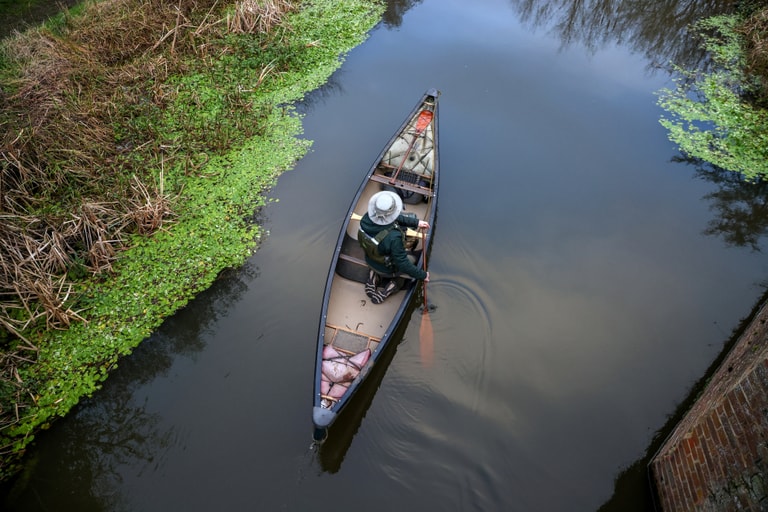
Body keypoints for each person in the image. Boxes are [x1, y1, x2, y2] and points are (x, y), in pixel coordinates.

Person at [358, 190, 430, 304]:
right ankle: (390, 288)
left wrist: (416, 222)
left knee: (380, 253)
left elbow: (395, 218)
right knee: (412, 261)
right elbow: (403, 264)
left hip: (370, 259)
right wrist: (423, 275)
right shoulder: (393, 237)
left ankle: (373, 276)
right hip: (386, 268)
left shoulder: (365, 219)